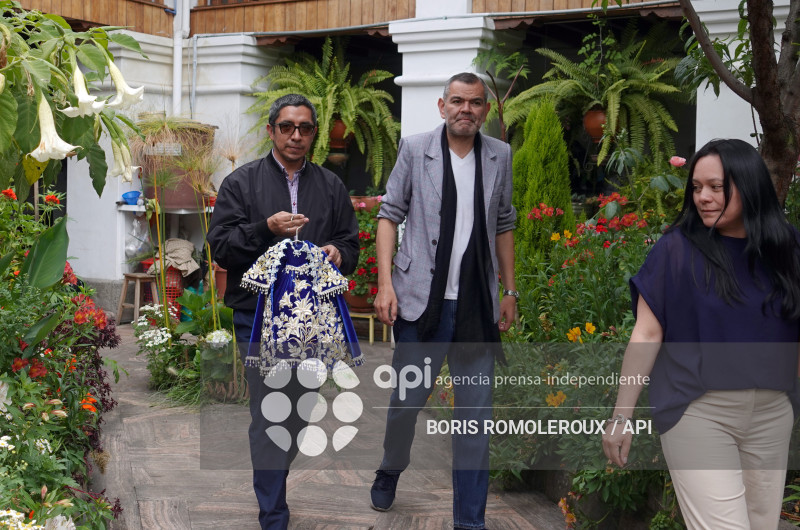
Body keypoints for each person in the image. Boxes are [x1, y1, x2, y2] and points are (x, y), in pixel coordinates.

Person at [602, 139, 800, 530]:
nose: (703, 197)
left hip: (773, 414)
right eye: (696, 188)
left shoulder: (788, 248)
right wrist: (621, 418)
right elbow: (646, 333)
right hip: (699, 411)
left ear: (749, 185)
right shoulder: (675, 251)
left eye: (715, 186)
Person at [370, 72, 517, 530]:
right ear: (442, 105)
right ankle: (391, 468)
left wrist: (509, 290)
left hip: (476, 307)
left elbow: (505, 222)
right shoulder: (416, 149)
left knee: (475, 422)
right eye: (457, 101)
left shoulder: (499, 155)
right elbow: (389, 215)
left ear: (485, 111)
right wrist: (385, 284)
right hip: (421, 306)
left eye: (475, 103)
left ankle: (469, 522)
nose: (465, 110)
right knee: (405, 406)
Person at [207, 93, 359, 530]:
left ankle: (275, 474)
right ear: (272, 129)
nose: (296, 135)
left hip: (313, 319)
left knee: (301, 410)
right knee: (269, 407)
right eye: (288, 126)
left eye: (305, 128)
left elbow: (350, 241)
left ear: (313, 132)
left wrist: (335, 252)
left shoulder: (330, 185)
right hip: (255, 316)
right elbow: (222, 246)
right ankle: (273, 512)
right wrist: (265, 229)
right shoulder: (241, 182)